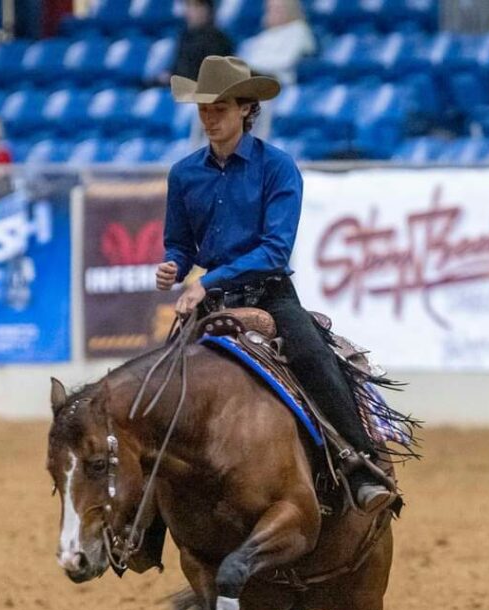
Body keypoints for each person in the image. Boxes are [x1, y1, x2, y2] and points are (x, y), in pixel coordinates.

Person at [155, 55, 392, 514]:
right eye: (204, 109)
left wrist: (207, 282)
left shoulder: (278, 168)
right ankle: (150, 521)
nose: (209, 119)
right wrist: (172, 264)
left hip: (269, 295)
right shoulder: (183, 174)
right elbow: (179, 244)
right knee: (160, 387)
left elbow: (274, 251)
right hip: (212, 298)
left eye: (219, 109)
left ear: (246, 108)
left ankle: (360, 464)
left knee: (312, 358)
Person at [237, 0, 315, 87]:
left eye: (278, 9)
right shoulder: (265, 35)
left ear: (290, 10)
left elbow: (287, 61)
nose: (272, 13)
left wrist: (253, 69)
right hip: (253, 79)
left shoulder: (299, 30)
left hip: (279, 82)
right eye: (270, 9)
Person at [166, 0, 234, 83]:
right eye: (188, 5)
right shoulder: (184, 36)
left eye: (197, 6)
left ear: (209, 10)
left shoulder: (218, 40)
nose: (190, 11)